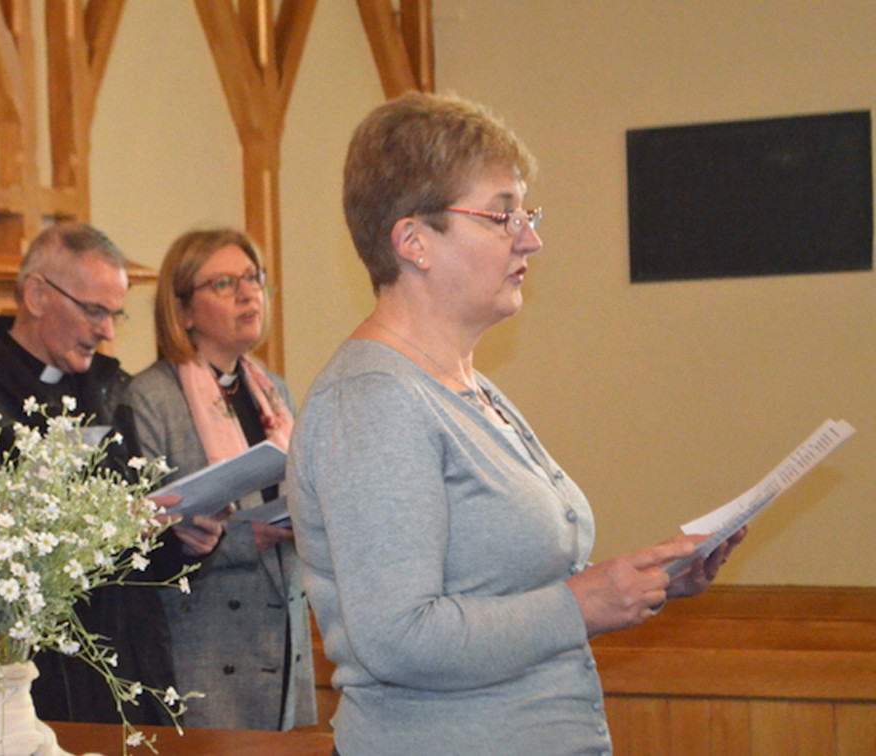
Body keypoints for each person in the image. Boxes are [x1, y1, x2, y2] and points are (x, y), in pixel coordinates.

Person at [288, 92, 745, 756]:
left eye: (525, 213)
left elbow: (502, 589)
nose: (531, 237)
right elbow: (397, 638)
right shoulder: (373, 400)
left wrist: (641, 585)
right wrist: (583, 604)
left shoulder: (468, 385)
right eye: (501, 216)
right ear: (414, 240)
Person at [0, 221, 225, 726]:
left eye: (115, 314)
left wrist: (184, 539)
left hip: (131, 661)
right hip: (42, 674)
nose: (108, 331)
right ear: (36, 295)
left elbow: (143, 551)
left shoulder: (111, 390)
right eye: (95, 311)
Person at [126, 229, 316, 731]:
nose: (247, 292)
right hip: (207, 640)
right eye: (224, 282)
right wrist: (236, 539)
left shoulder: (272, 390)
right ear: (183, 310)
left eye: (253, 277)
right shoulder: (149, 397)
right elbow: (144, 536)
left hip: (281, 633)